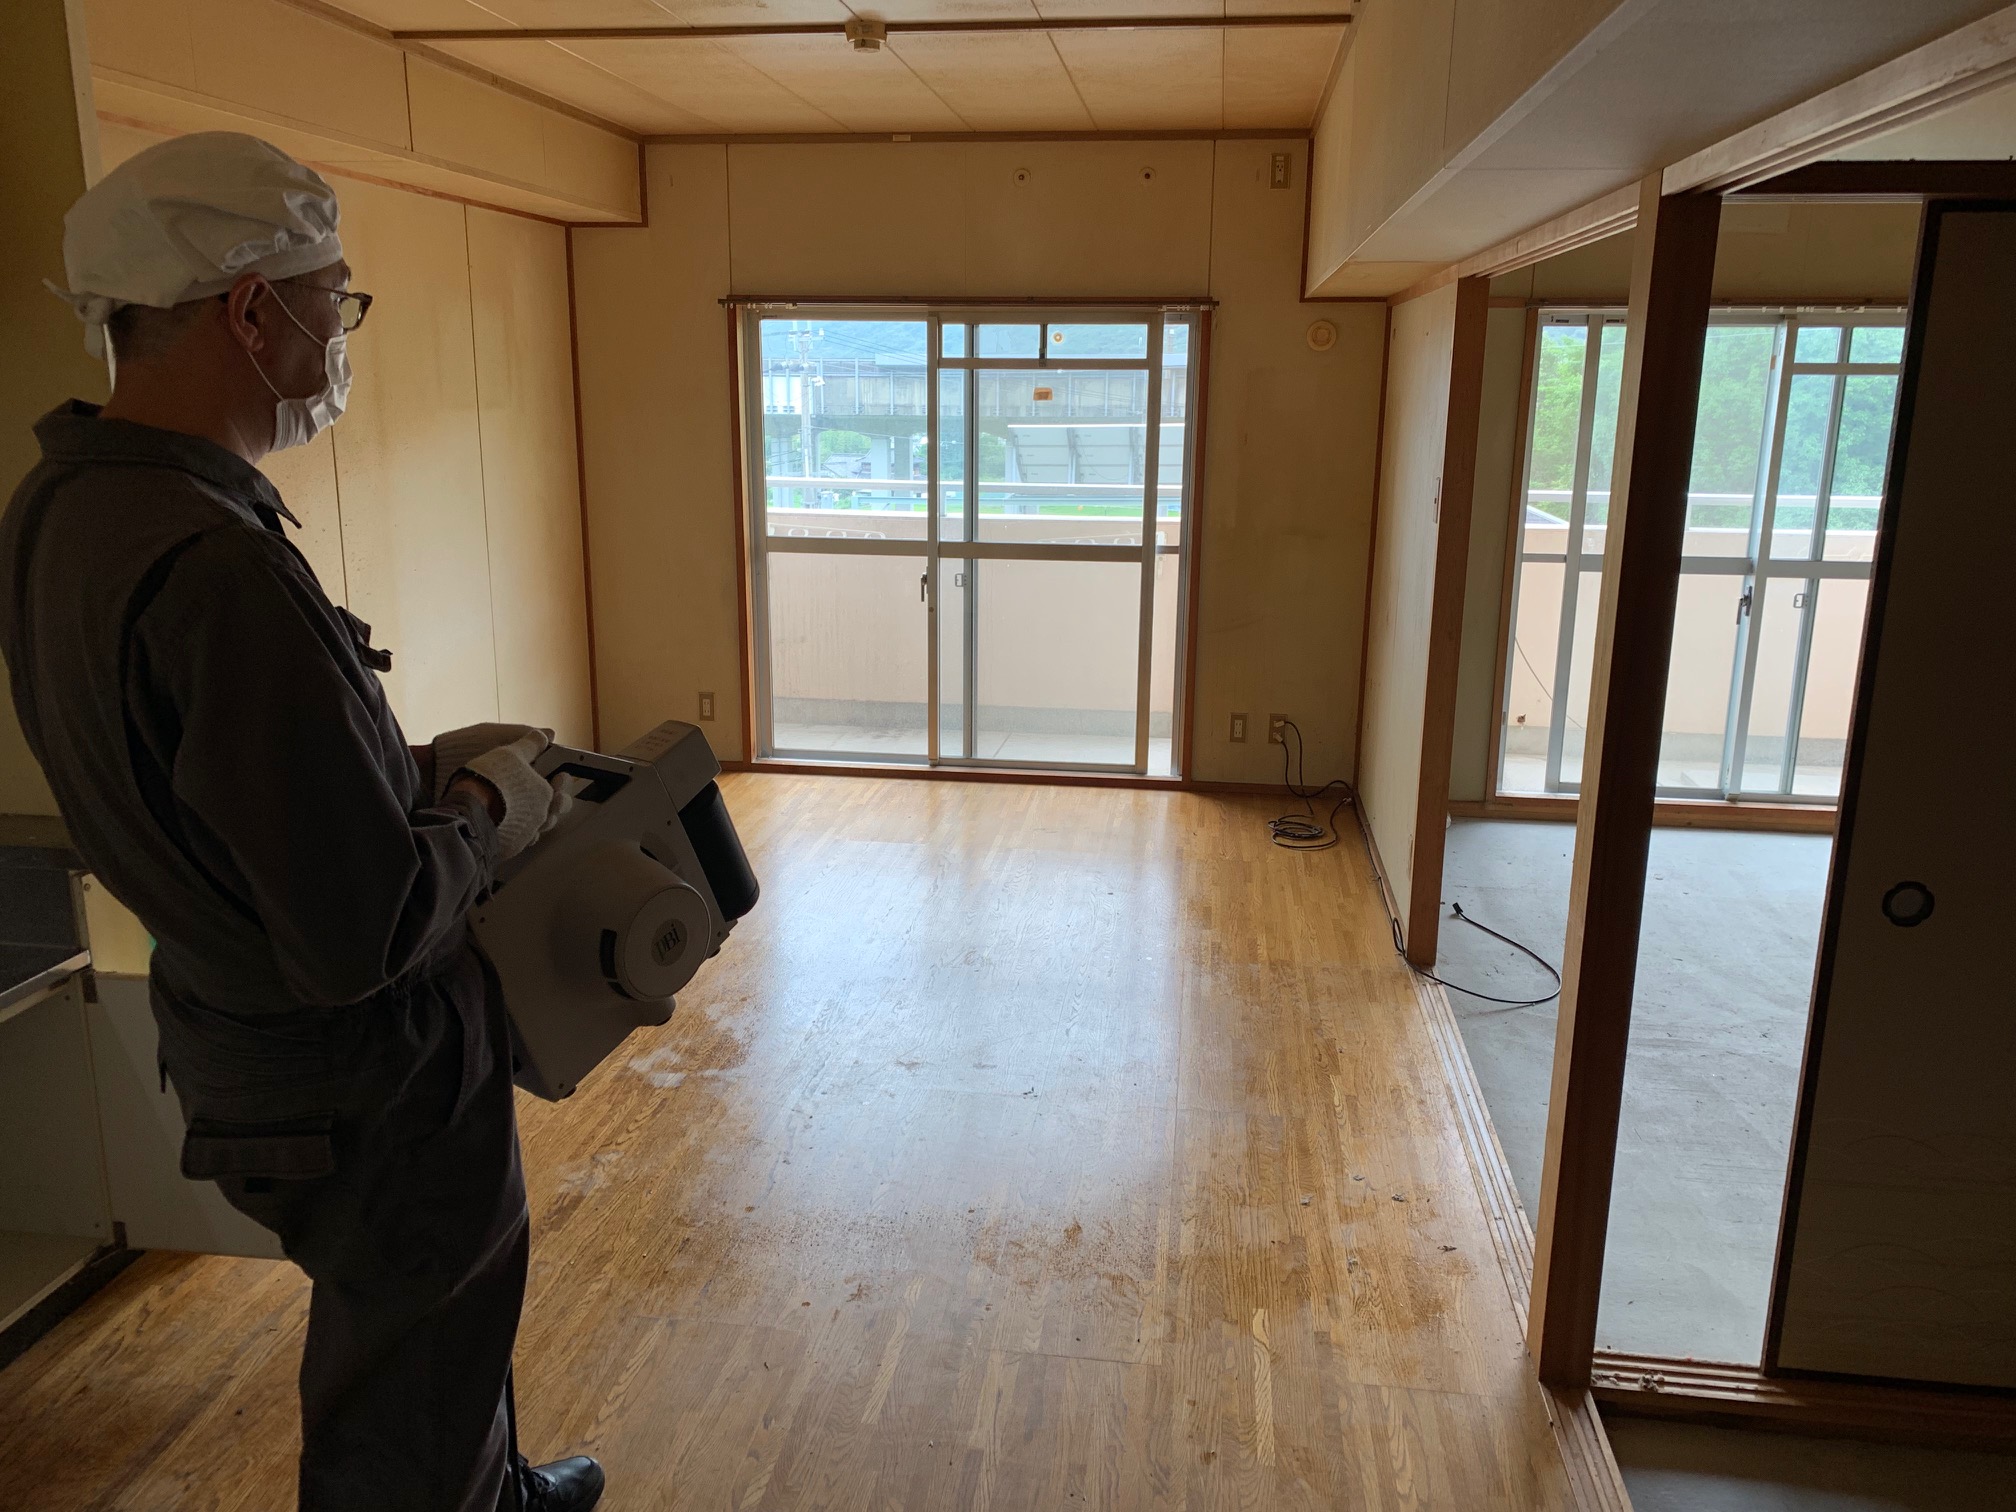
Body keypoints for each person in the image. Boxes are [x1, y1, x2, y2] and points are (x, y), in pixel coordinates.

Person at [0, 132, 604, 1512]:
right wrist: (479, 805)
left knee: (437, 1329)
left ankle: (499, 1489)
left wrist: (405, 768)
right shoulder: (214, 567)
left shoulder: (60, 514)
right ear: (251, 309)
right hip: (364, 1079)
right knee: (405, 1388)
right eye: (337, 300)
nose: (341, 334)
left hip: (238, 1043)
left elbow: (215, 792)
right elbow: (361, 930)